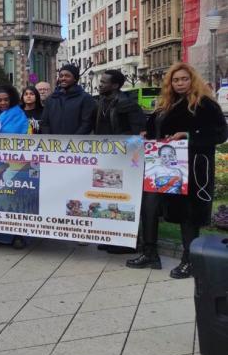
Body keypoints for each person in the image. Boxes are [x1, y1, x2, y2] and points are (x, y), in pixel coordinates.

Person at [127, 63, 228, 278]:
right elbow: (155, 129)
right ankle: (150, 253)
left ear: (192, 80)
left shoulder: (205, 104)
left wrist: (188, 136)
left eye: (184, 79)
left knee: (187, 213)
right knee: (149, 206)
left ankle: (189, 260)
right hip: (160, 166)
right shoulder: (165, 104)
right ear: (170, 83)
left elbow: (220, 134)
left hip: (191, 167)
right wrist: (146, 134)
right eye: (175, 80)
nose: (180, 83)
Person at [0, 85, 30, 249]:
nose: (3, 103)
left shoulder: (19, 114)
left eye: (6, 100)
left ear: (11, 99)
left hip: (14, 163)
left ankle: (17, 235)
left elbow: (26, 135)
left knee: (15, 198)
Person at [40, 64, 95, 135]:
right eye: (61, 76)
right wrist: (50, 138)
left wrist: (72, 140)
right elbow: (44, 123)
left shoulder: (85, 98)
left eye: (67, 76)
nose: (63, 78)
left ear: (75, 78)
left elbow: (87, 124)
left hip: (76, 141)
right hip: (53, 141)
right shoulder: (51, 99)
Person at [94, 70, 146, 136]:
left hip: (118, 142)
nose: (100, 85)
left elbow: (136, 130)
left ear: (115, 86)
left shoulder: (128, 105)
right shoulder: (100, 102)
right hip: (101, 141)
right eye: (101, 81)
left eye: (104, 82)